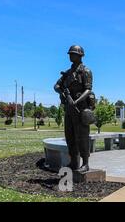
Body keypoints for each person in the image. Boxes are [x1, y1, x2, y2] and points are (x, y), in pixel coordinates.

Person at [54, 45, 94, 173]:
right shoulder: (67, 73)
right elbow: (56, 86)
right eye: (70, 54)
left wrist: (76, 101)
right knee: (70, 136)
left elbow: (88, 89)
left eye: (73, 54)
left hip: (81, 109)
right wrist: (62, 93)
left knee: (82, 136)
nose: (70, 56)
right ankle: (74, 162)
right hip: (69, 109)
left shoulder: (85, 71)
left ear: (80, 55)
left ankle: (86, 163)